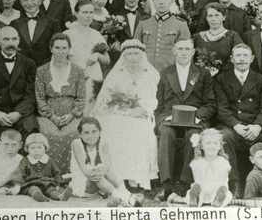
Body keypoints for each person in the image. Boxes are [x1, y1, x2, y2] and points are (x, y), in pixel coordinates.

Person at [90, 40, 160, 191]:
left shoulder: (151, 73)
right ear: (124, 56)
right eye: (129, 54)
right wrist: (127, 111)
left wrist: (139, 110)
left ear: (142, 55)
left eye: (136, 53)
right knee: (115, 128)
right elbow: (107, 101)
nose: (133, 57)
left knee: (139, 129)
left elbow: (152, 100)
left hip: (141, 112)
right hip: (118, 112)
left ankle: (134, 179)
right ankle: (116, 177)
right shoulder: (117, 74)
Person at [154, 38, 217, 201]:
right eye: (180, 49)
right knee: (166, 133)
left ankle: (184, 183)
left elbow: (210, 103)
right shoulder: (164, 73)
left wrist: (198, 117)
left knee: (194, 136)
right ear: (174, 51)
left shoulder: (203, 74)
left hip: (195, 119)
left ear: (193, 52)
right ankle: (166, 185)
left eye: (187, 49)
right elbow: (158, 103)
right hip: (169, 117)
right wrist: (163, 117)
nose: (183, 53)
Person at [214, 44, 262, 196]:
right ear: (231, 59)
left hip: (256, 125)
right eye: (238, 55)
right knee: (224, 138)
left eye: (245, 55)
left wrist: (258, 125)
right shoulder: (221, 79)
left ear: (252, 59)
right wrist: (236, 125)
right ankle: (234, 184)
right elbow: (221, 108)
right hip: (232, 125)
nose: (242, 59)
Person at [0, 26, 38, 152]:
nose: (11, 43)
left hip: (18, 111)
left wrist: (19, 113)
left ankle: (20, 166)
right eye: (6, 39)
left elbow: (30, 95)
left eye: (14, 39)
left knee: (30, 127)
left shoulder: (29, 63)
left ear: (19, 41)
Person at [35, 33, 87, 174]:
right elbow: (39, 97)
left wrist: (72, 114)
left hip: (72, 114)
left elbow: (81, 97)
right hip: (48, 115)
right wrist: (51, 116)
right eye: (57, 47)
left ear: (69, 49)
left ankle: (69, 175)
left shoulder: (78, 71)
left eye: (64, 48)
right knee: (48, 133)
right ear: (51, 49)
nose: (61, 51)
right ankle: (49, 174)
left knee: (72, 133)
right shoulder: (42, 70)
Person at [69, 117, 144, 207]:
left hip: (100, 182)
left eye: (94, 131)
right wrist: (97, 174)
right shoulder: (76, 143)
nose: (90, 135)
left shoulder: (103, 143)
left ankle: (127, 194)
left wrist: (102, 172)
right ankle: (126, 198)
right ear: (80, 134)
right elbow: (84, 169)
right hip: (84, 184)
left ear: (100, 132)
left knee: (106, 171)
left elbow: (108, 163)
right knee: (96, 174)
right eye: (86, 132)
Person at [133, 0, 191, 72]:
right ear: (153, 1)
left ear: (171, 1)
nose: (161, 2)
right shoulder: (143, 23)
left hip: (170, 74)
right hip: (146, 73)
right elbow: (135, 50)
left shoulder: (181, 24)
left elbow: (186, 54)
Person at [11, 133, 72, 202]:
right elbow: (20, 173)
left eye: (39, 147)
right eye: (32, 148)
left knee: (51, 190)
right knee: (34, 189)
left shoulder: (48, 160)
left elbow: (56, 172)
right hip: (31, 183)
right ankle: (38, 196)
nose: (36, 150)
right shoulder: (25, 160)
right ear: (27, 149)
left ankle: (60, 196)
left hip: (47, 183)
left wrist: (57, 184)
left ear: (45, 148)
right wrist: (17, 185)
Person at [10, 0, 61, 67]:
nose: (29, 3)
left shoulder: (52, 23)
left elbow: (58, 48)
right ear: (21, 2)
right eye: (25, 0)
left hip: (46, 69)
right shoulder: (14, 24)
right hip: (21, 69)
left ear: (40, 1)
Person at [64, 0, 110, 83]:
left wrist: (97, 55)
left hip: (94, 79)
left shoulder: (96, 34)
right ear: (76, 14)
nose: (88, 16)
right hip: (74, 79)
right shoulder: (67, 35)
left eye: (91, 12)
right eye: (85, 12)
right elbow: (60, 60)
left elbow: (107, 60)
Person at [181, 129, 231, 207]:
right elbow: (198, 181)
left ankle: (217, 202)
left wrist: (212, 193)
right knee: (190, 192)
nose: (212, 146)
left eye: (215, 143)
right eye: (208, 143)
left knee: (227, 194)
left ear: (220, 146)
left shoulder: (223, 162)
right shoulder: (197, 162)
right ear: (201, 146)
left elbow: (221, 182)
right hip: (202, 190)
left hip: (217, 190)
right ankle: (194, 201)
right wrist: (204, 194)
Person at [193, 3, 243, 74]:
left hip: (225, 78)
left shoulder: (232, 36)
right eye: (210, 16)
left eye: (217, 15)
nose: (213, 19)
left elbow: (238, 58)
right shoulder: (198, 37)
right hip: (202, 79)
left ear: (224, 17)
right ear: (206, 18)